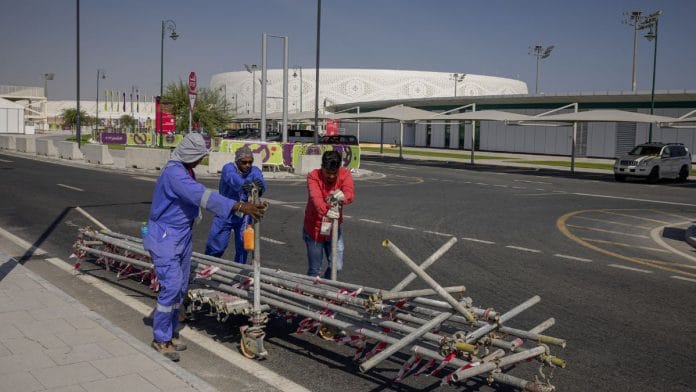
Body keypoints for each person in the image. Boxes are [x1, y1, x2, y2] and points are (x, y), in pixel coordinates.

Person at [142, 133, 265, 362]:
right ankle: (160, 338)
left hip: (182, 234)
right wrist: (239, 205)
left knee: (180, 287)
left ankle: (169, 333)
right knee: (171, 286)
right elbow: (202, 196)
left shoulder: (186, 169)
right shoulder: (175, 174)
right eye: (199, 157)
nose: (201, 161)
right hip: (166, 236)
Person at [204, 146, 266, 263]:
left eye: (250, 162)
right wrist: (244, 185)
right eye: (244, 162)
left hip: (245, 214)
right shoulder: (228, 168)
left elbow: (260, 179)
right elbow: (232, 178)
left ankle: (238, 273)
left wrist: (261, 186)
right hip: (225, 211)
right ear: (237, 161)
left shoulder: (254, 170)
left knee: (243, 246)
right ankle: (208, 267)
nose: (247, 165)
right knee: (216, 245)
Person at [303, 150, 354, 279]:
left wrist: (344, 197)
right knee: (315, 269)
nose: (331, 176)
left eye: (334, 173)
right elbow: (316, 200)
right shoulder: (313, 176)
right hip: (314, 228)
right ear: (322, 168)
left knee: (337, 266)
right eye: (328, 173)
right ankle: (312, 291)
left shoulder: (345, 174)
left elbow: (350, 193)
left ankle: (325, 288)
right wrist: (327, 211)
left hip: (334, 228)